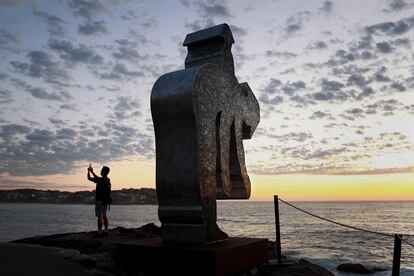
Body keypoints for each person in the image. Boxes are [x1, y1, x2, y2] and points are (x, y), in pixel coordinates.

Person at [87, 164, 111, 236]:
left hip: (100, 200)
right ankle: (106, 230)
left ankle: (100, 231)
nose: (100, 171)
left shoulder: (101, 179)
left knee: (100, 216)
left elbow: (89, 178)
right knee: (104, 215)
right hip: (105, 201)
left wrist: (90, 171)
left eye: (101, 170)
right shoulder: (108, 180)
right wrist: (90, 171)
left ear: (104, 172)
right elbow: (92, 178)